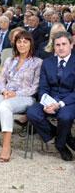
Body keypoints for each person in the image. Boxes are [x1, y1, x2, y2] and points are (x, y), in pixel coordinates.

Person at [0, 31, 42, 162]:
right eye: (19, 41)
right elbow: (0, 80)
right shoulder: (9, 60)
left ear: (31, 44)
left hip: (26, 97)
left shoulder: (37, 62)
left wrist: (16, 94)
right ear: (15, 44)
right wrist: (4, 91)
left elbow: (35, 88)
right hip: (7, 94)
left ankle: (6, 146)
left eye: (25, 41)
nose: (22, 44)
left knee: (4, 106)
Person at [27, 31, 75, 161]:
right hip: (49, 99)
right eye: (57, 45)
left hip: (69, 101)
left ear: (71, 45)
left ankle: (60, 145)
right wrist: (46, 102)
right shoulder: (47, 62)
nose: (61, 47)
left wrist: (59, 104)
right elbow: (43, 87)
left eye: (64, 44)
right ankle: (63, 137)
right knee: (31, 112)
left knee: (65, 116)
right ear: (54, 47)